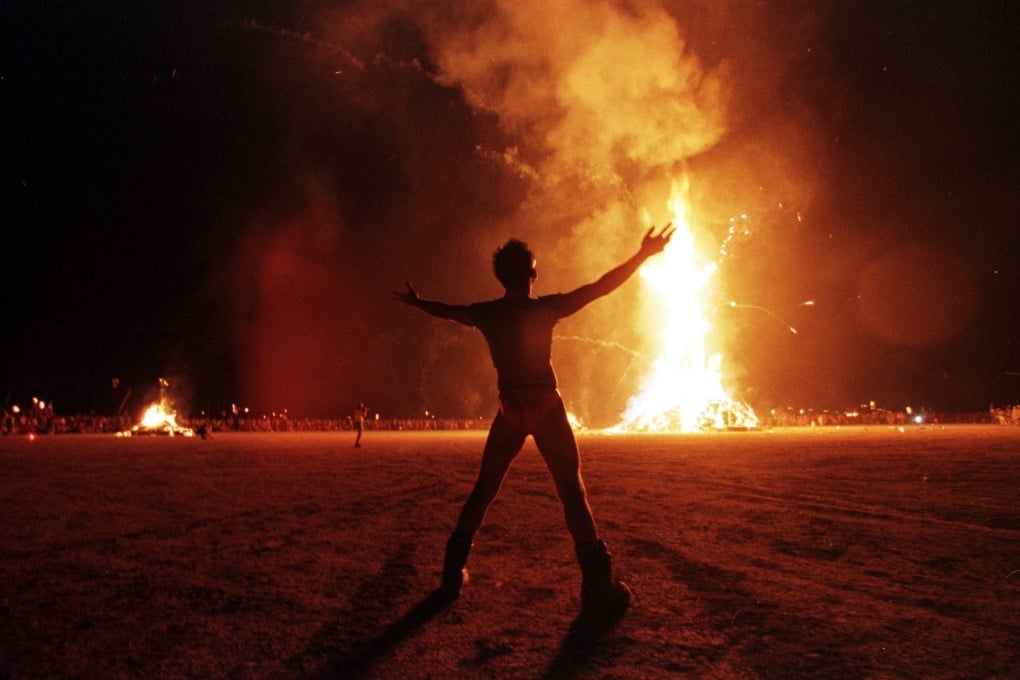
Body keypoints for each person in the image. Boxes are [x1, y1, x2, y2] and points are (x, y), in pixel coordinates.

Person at [393, 224, 675, 618]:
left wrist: (419, 302)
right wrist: (643, 254)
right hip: (545, 405)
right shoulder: (545, 308)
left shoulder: (486, 314)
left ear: (500, 276)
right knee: (572, 493)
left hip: (511, 408)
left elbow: (449, 312)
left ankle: (452, 574)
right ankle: (597, 585)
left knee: (484, 489)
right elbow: (600, 287)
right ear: (532, 275)